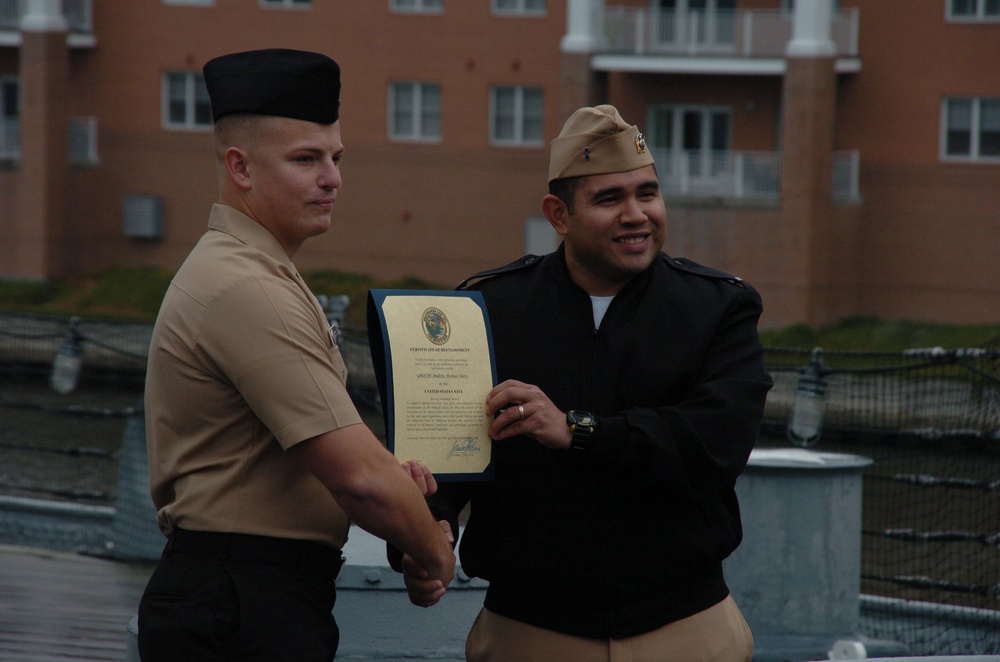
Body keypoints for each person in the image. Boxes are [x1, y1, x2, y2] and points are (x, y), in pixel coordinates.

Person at [394, 105, 774, 661]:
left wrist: (579, 430)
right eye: (609, 199)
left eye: (647, 193)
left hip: (685, 629)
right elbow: (447, 456)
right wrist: (426, 534)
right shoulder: (490, 309)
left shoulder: (716, 309)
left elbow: (714, 444)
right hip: (530, 632)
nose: (636, 214)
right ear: (558, 214)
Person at [138, 48, 455, 661]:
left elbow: (343, 472)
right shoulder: (249, 286)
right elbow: (359, 479)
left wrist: (398, 495)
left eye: (335, 158)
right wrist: (435, 553)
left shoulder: (254, 273)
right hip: (241, 601)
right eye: (305, 159)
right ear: (241, 167)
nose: (332, 177)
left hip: (246, 593)